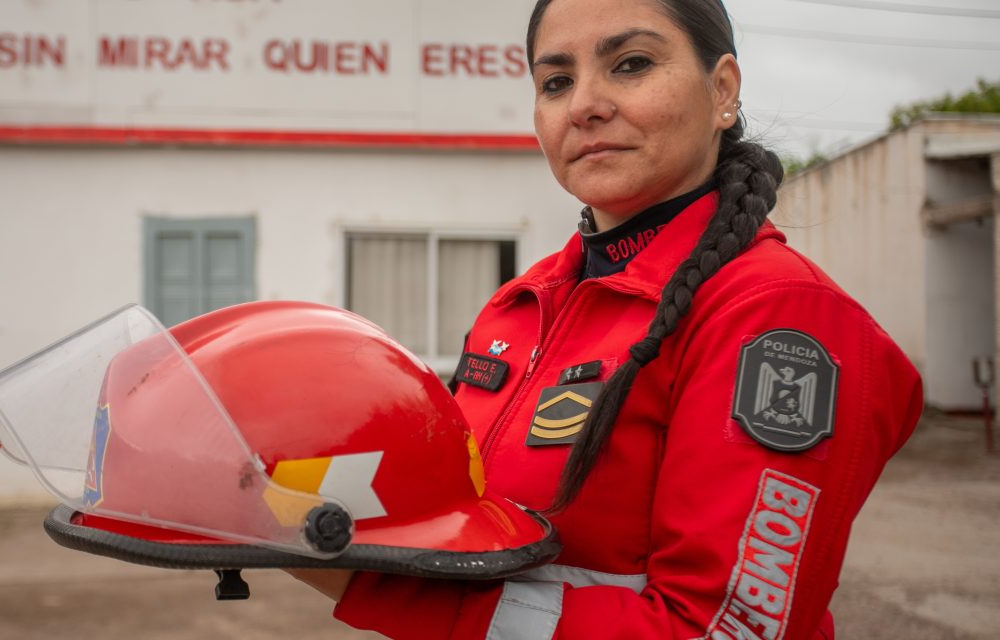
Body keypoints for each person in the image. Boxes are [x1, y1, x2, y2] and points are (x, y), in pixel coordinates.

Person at [287, 0, 924, 638]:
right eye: (556, 81)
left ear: (722, 90)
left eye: (632, 64)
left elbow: (725, 628)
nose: (584, 105)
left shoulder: (777, 318)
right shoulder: (521, 304)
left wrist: (374, 589)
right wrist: (280, 491)